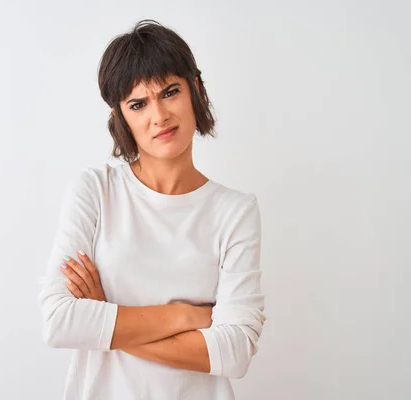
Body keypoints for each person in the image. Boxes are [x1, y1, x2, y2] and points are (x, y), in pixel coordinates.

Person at [37, 19, 266, 400]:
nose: (158, 116)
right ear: (121, 117)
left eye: (170, 92)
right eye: (138, 103)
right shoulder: (95, 191)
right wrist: (187, 316)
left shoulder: (235, 211)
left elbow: (235, 352)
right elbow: (59, 322)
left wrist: (104, 316)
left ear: (195, 91)